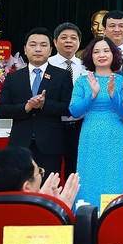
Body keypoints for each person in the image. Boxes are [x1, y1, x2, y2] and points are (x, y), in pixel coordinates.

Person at [0, 28, 73, 181]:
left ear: (51, 50)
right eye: (33, 45)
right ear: (25, 49)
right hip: (20, 144)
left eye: (43, 45)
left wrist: (44, 105)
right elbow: (2, 109)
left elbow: (68, 108)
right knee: (19, 189)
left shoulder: (62, 75)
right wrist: (26, 107)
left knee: (48, 190)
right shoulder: (13, 77)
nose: (38, 49)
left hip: (50, 145)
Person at [70, 36, 123, 208]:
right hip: (91, 134)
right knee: (89, 175)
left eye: (106, 51)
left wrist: (113, 94)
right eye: (96, 52)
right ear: (90, 56)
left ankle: (115, 217)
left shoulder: (122, 81)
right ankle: (87, 218)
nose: (101, 55)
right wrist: (92, 95)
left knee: (115, 175)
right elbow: (74, 111)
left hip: (116, 134)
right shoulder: (82, 81)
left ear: (113, 55)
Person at [0, 147, 79, 209]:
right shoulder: (35, 223)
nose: (41, 176)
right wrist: (61, 211)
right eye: (39, 172)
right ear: (27, 187)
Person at [50, 22, 85, 178]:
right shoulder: (47, 65)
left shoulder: (86, 66)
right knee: (53, 170)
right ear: (55, 42)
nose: (69, 41)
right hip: (54, 125)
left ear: (79, 42)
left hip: (79, 126)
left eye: (73, 38)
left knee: (75, 169)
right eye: (64, 38)